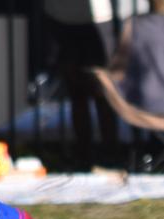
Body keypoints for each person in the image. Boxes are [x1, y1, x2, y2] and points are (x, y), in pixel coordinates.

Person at [43, 0, 120, 169]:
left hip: (98, 17)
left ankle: (111, 153)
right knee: (76, 92)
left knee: (103, 89)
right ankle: (83, 154)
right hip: (61, 17)